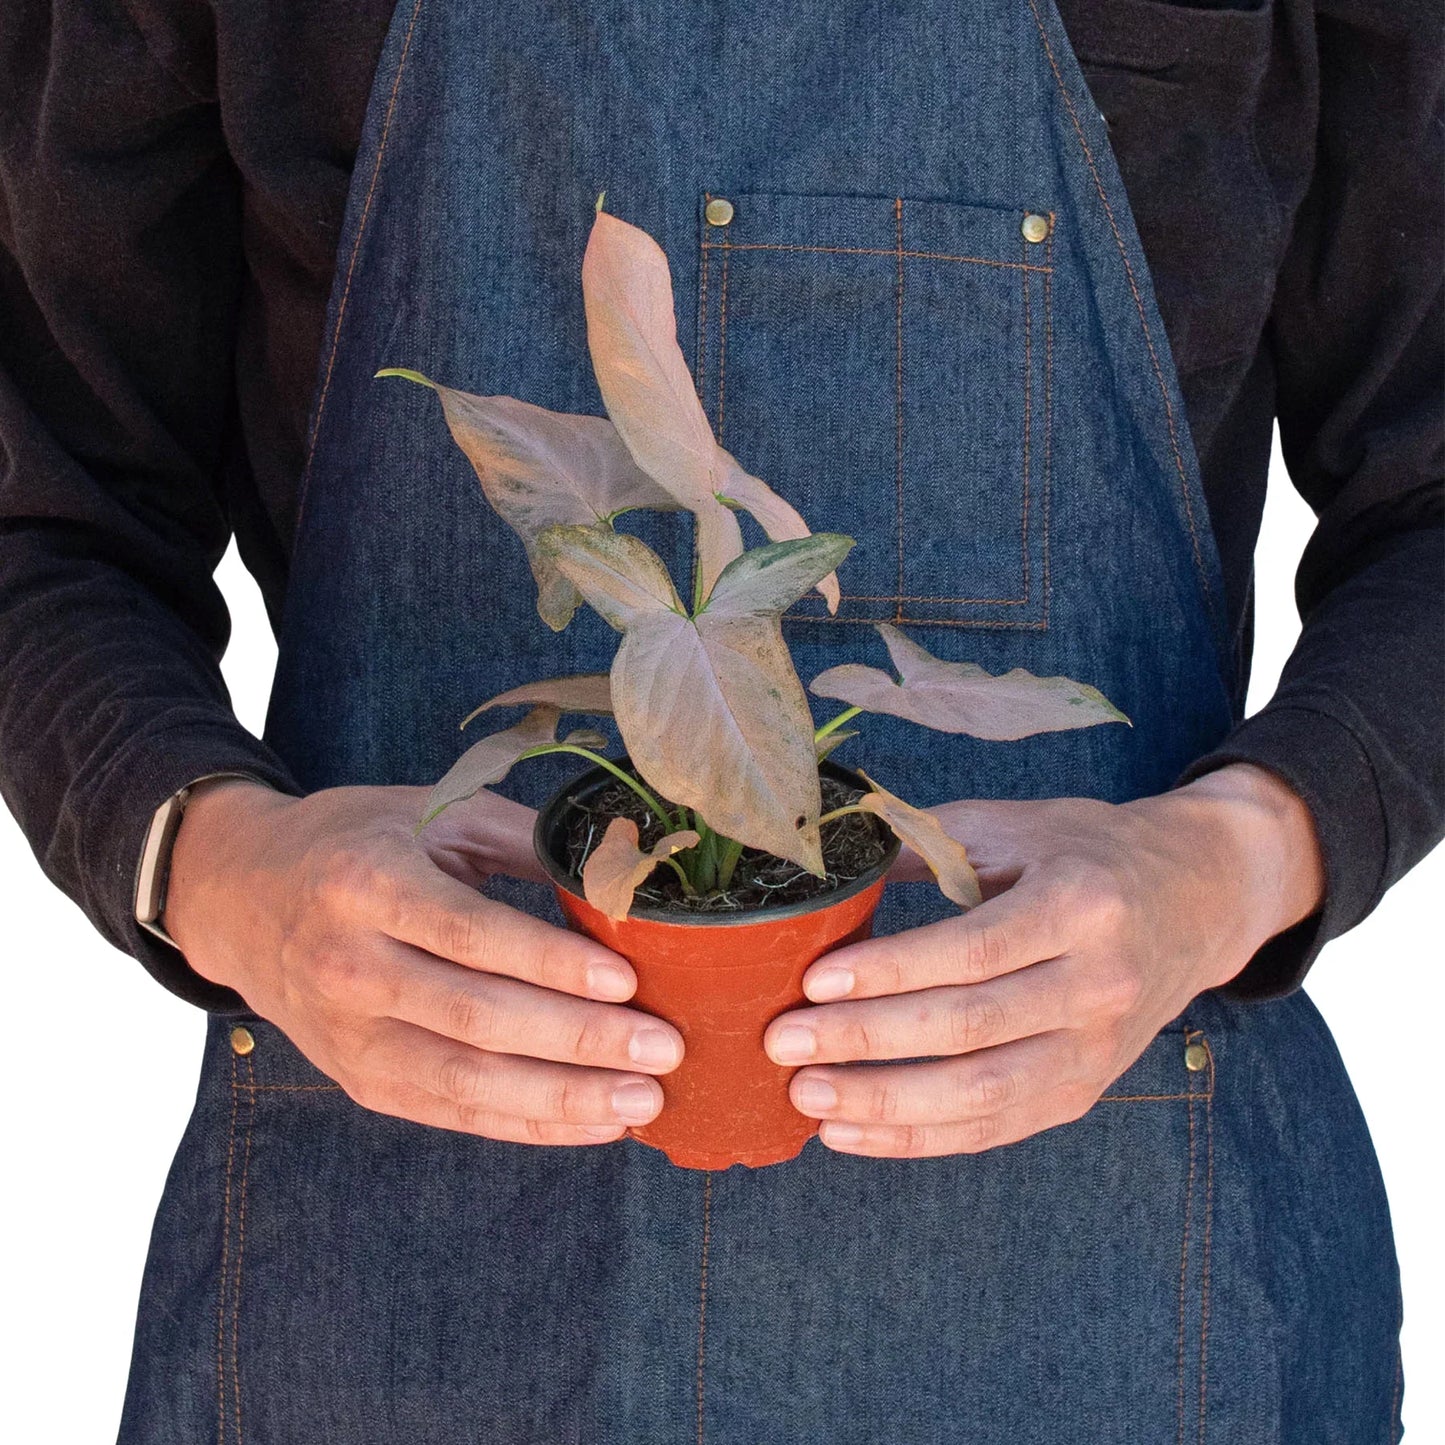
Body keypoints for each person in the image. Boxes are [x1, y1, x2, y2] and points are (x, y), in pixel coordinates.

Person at [1, 0, 1439, 1440]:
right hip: (397, 1300)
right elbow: (45, 509)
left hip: (1124, 1305)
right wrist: (207, 860)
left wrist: (1242, 857)